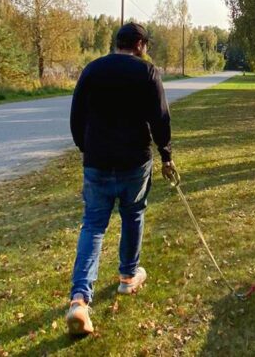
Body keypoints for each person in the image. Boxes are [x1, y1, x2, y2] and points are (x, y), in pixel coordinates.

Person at [65, 22, 178, 336]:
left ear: (118, 43)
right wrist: (166, 156)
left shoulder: (92, 70)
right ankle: (128, 278)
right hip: (134, 161)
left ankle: (79, 301)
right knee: (133, 215)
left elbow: (76, 117)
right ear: (140, 44)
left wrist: (85, 148)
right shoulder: (147, 73)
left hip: (98, 161)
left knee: (94, 225)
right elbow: (160, 119)